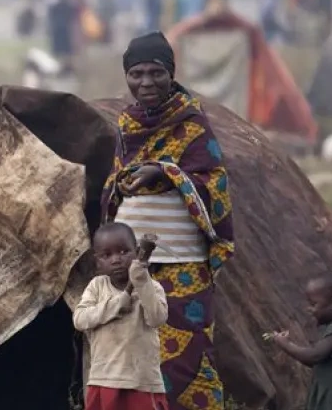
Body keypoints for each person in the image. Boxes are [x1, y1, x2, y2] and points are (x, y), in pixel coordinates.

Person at [101, 31, 236, 410]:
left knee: (189, 353)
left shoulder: (191, 122)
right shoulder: (126, 125)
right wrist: (123, 183)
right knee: (135, 352)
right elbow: (115, 178)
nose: (146, 83)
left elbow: (215, 183)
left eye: (156, 73)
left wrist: (165, 174)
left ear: (171, 72)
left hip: (183, 265)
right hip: (134, 266)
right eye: (137, 74)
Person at [73, 223, 169, 410]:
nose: (116, 260)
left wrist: (141, 282)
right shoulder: (97, 287)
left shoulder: (151, 287)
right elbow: (80, 319)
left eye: (124, 251)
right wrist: (116, 305)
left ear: (137, 252)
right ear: (97, 261)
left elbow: (157, 318)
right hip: (104, 379)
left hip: (141, 381)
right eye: (107, 255)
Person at [269, 270, 332, 410]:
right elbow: (321, 361)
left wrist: (285, 344)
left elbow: (314, 356)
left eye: (313, 304)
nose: (309, 309)